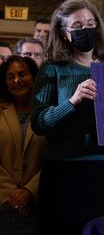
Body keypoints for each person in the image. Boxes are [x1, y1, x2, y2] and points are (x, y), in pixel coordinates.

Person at [30, 0, 104, 235]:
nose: (86, 30)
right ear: (64, 34)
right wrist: (72, 101)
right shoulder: (52, 68)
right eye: (77, 27)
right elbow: (38, 122)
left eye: (90, 23)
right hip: (66, 175)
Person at [0, 56, 44, 233]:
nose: (16, 80)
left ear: (34, 77)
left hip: (39, 204)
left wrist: (29, 192)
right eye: (10, 77)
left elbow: (53, 158)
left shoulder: (47, 112)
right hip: (3, 205)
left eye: (21, 74)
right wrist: (13, 197)